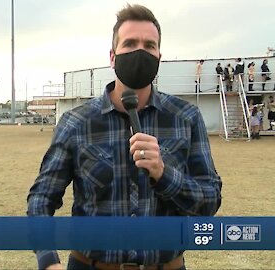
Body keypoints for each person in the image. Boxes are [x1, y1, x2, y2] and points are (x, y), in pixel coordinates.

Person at [27, 4, 222, 270]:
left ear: (158, 56)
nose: (140, 52)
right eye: (130, 43)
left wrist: (163, 174)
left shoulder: (186, 117)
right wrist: (47, 261)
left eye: (149, 45)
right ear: (112, 56)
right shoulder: (76, 122)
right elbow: (41, 198)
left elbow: (209, 201)